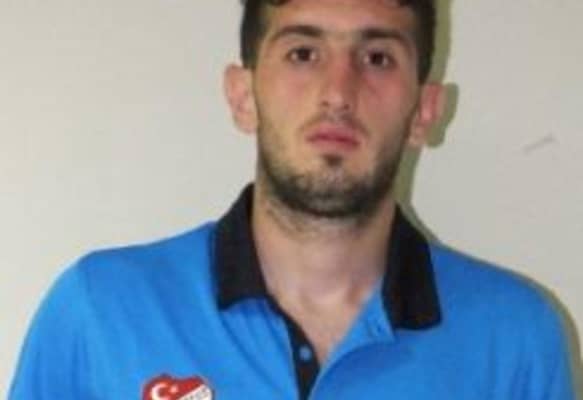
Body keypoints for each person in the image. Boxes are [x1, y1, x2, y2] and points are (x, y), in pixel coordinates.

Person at [9, 0, 576, 399]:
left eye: (377, 58)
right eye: (304, 53)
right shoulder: (102, 312)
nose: (338, 92)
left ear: (423, 112)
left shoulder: (515, 339)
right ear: (243, 96)